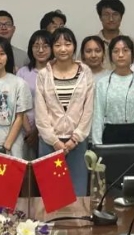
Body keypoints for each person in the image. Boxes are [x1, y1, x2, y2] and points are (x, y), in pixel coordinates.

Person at [34, 27, 95, 195]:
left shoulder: (85, 72)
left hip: (77, 143)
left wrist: (75, 139)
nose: (63, 49)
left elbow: (88, 109)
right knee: (52, 195)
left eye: (67, 44)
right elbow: (40, 111)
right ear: (52, 48)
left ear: (74, 46)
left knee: (78, 194)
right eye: (57, 45)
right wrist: (54, 141)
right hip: (49, 143)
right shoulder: (43, 75)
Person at [92, 35, 134, 144]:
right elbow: (98, 116)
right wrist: (97, 144)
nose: (120, 55)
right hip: (110, 135)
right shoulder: (102, 83)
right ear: (110, 55)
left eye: (125, 50)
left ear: (132, 54)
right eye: (116, 51)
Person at [16, 30, 53, 158]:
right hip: (24, 131)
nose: (40, 50)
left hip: (50, 131)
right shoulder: (23, 72)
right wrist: (29, 131)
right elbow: (18, 104)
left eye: (45, 46)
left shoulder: (56, 73)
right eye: (36, 46)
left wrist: (38, 131)